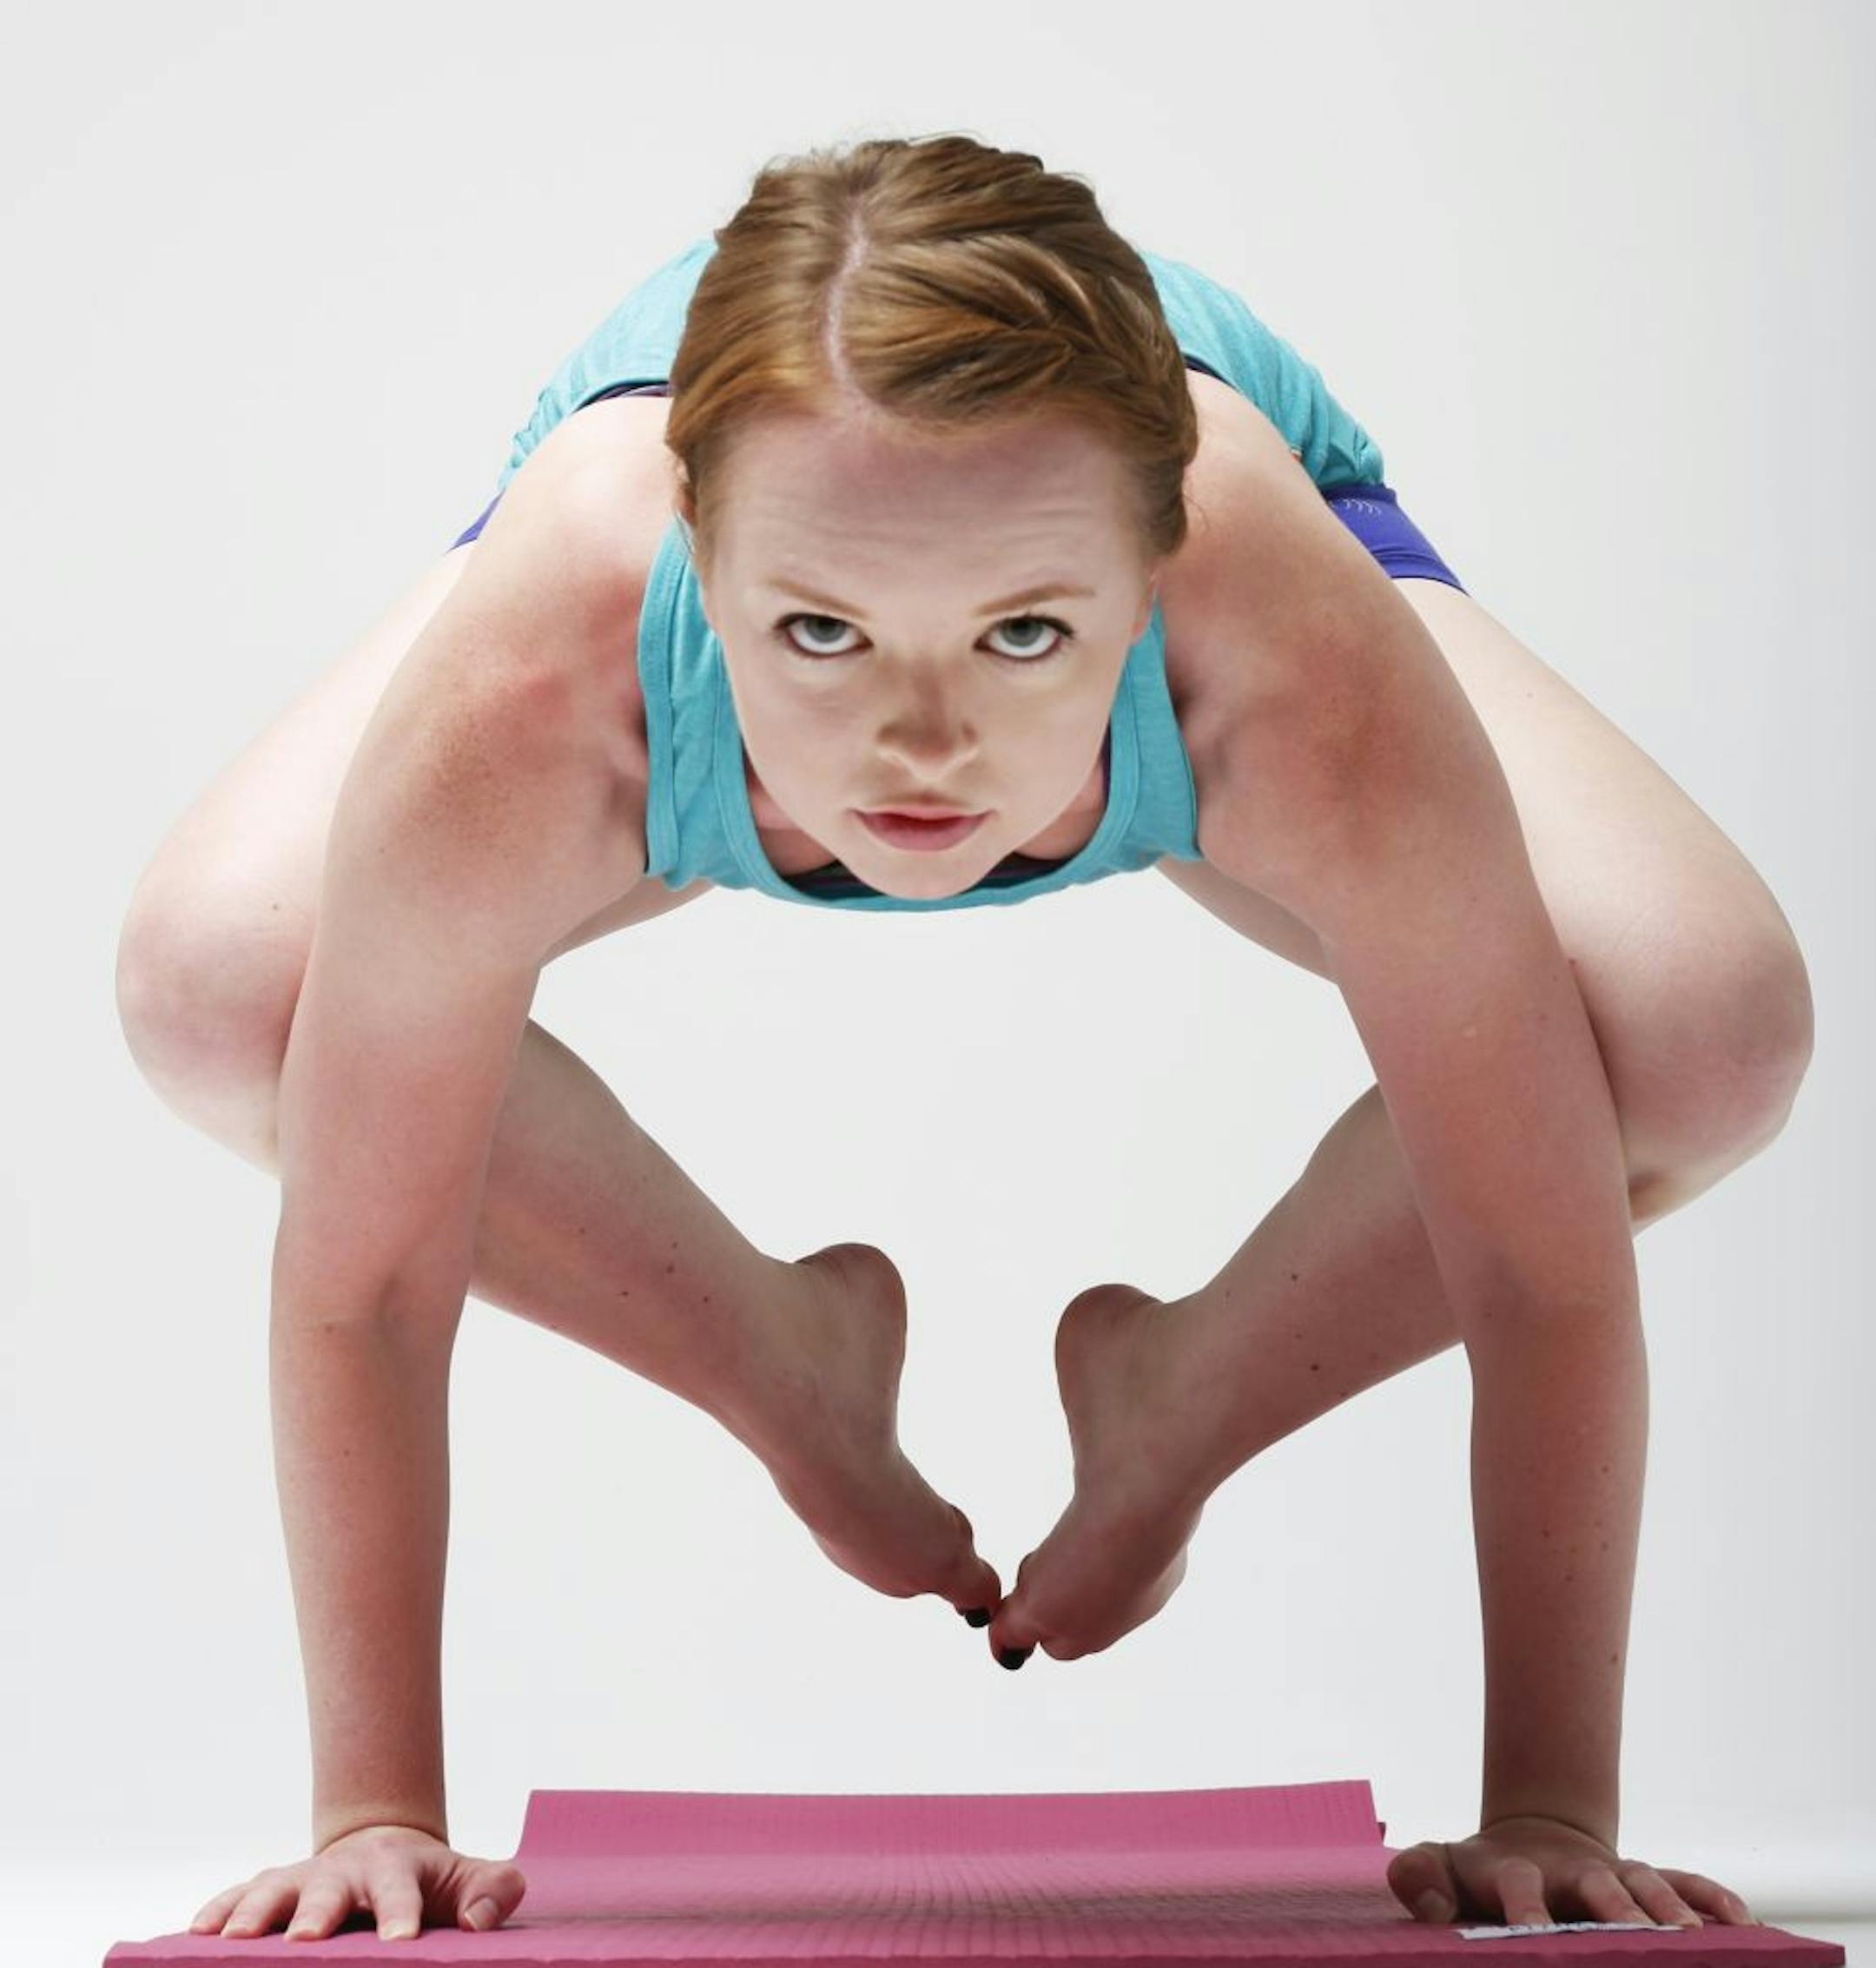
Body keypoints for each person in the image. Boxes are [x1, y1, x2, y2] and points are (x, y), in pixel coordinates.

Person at [115, 133, 1807, 1945]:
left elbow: (1538, 1251)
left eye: (1022, 636)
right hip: (715, 506)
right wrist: (373, 1806)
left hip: (1202, 479)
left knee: (1702, 1029)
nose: (921, 751)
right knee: (221, 997)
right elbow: (364, 1277)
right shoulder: (543, 683)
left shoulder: (1293, 661)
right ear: (696, 555)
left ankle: (1185, 1397)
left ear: (1157, 576)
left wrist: (1550, 1801)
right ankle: (782, 1357)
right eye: (821, 635)